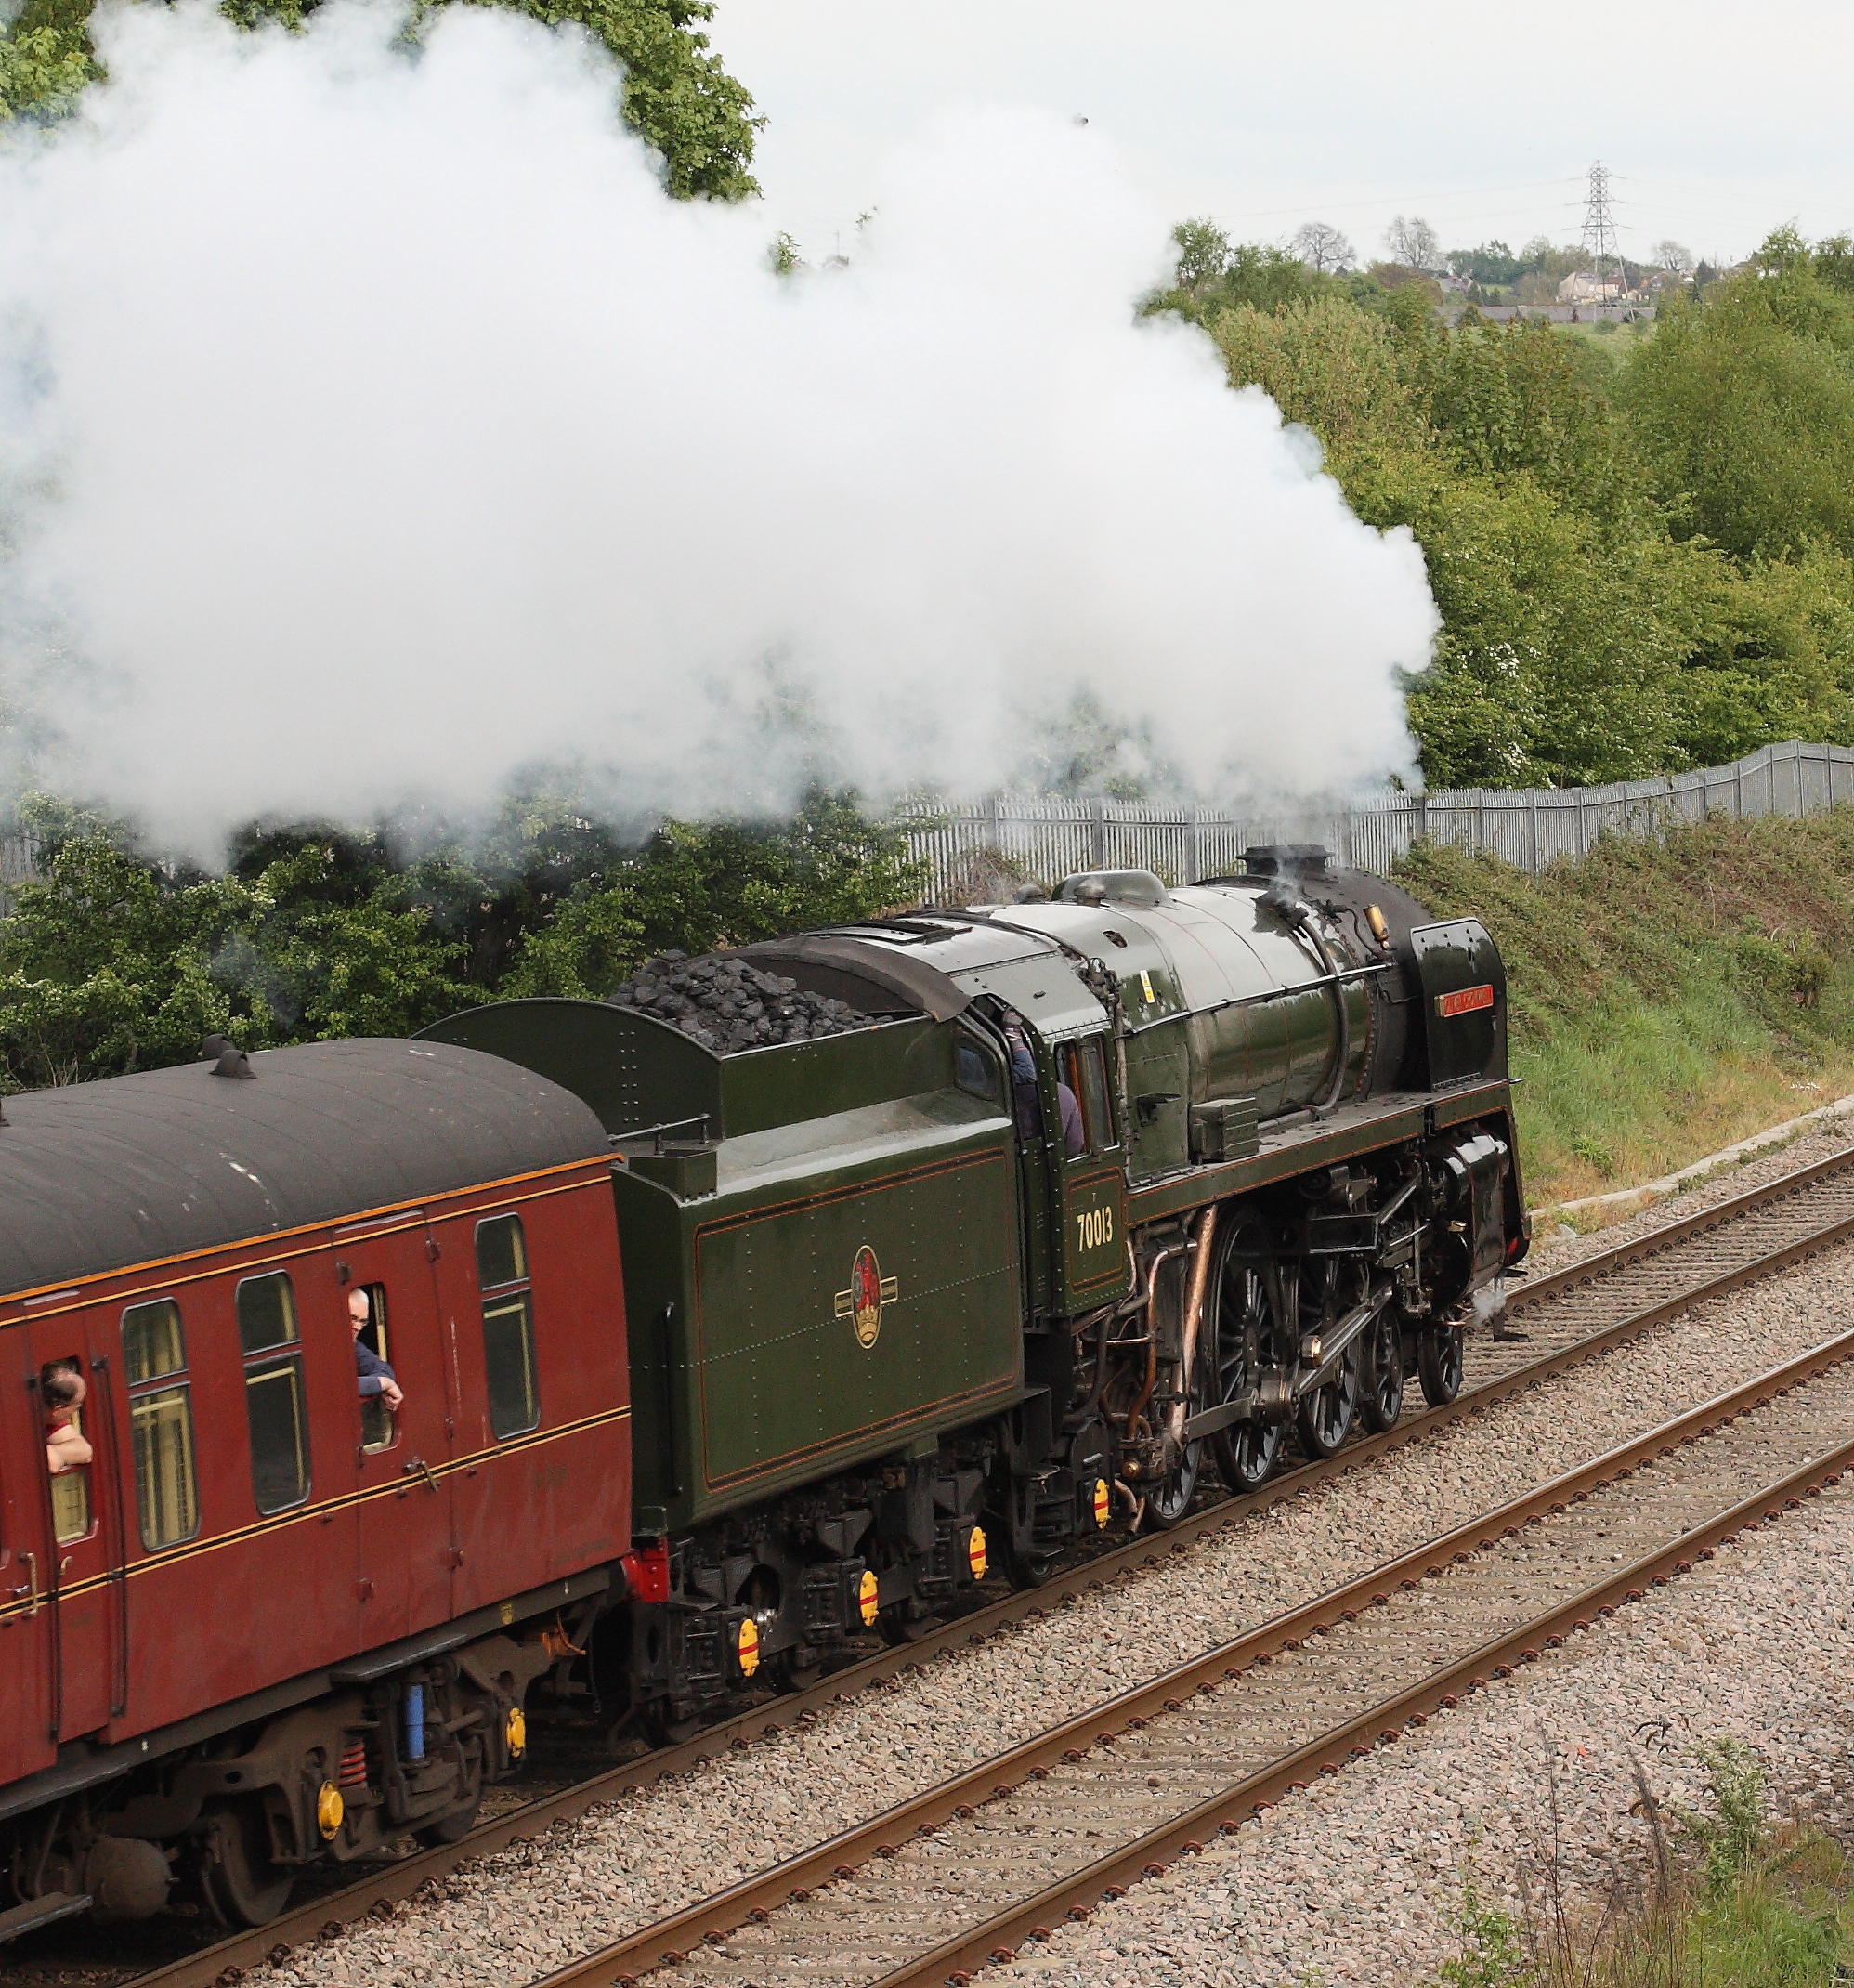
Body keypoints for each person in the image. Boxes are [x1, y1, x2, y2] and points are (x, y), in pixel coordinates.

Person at [349, 1289, 403, 1413]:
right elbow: (335, 1388)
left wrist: (380, 1383)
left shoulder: (352, 1345)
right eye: (352, 1318)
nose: (357, 1327)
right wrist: (382, 1383)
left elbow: (383, 1370)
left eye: (362, 1321)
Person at [43, 1365, 93, 1473]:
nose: (74, 1413)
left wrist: (55, 1452)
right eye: (75, 1407)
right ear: (57, 1410)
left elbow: (85, 1450)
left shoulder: (51, 1421)